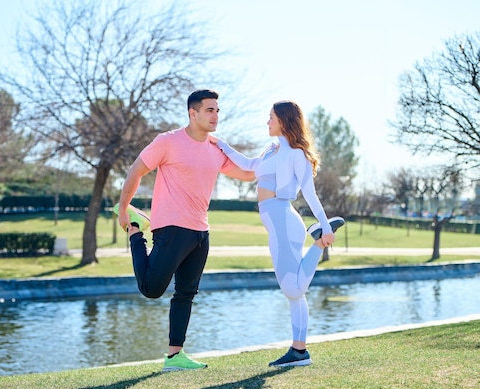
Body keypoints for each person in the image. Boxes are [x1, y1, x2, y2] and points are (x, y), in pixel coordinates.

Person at [115, 89, 255, 372]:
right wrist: (123, 208)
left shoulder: (216, 149)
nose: (215, 115)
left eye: (217, 110)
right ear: (193, 113)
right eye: (209, 110)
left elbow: (249, 173)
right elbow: (136, 170)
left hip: (200, 232)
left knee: (186, 293)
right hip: (172, 227)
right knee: (152, 289)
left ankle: (174, 355)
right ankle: (136, 234)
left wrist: (276, 155)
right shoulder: (168, 142)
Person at [210, 100, 345, 367]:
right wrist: (221, 144)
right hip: (277, 224)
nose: (267, 122)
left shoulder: (296, 153)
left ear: (284, 120)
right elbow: (248, 166)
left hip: (284, 220)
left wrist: (326, 226)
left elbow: (309, 192)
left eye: (271, 117)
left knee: (293, 289)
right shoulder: (271, 151)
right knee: (294, 292)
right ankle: (299, 351)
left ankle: (318, 242)